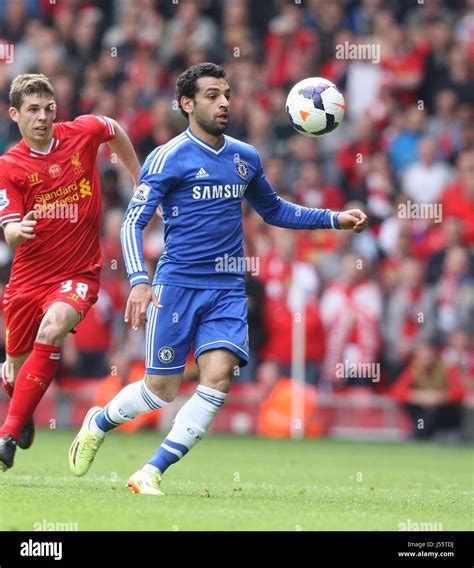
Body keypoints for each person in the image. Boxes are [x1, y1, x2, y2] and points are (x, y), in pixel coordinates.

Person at [69, 62, 368, 495]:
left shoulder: (244, 157)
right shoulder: (168, 157)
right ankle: (98, 422)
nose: (224, 102)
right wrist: (138, 279)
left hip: (228, 288)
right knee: (161, 391)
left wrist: (333, 219)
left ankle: (150, 471)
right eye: (212, 95)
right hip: (177, 286)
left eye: (226, 94)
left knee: (220, 376)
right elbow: (132, 222)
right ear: (187, 104)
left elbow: (274, 210)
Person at [0, 73, 140, 471]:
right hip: (28, 280)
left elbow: (114, 129)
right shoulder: (8, 166)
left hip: (78, 271)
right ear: (15, 114)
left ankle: (6, 435)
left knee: (53, 328)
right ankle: (21, 411)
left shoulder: (83, 132)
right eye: (32, 110)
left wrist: (138, 176)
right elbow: (9, 229)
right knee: (14, 370)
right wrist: (17, 230)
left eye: (48, 108)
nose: (42, 117)